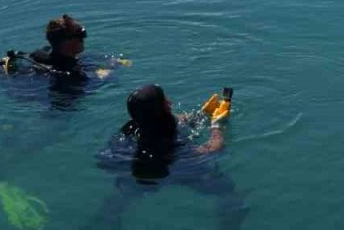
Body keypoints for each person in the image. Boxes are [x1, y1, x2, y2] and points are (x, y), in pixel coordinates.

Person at [93, 85, 245, 229]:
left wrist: (202, 114)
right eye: (165, 102)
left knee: (119, 198)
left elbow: (179, 120)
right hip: (179, 166)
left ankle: (104, 222)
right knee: (229, 193)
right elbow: (212, 149)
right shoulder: (167, 133)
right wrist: (217, 126)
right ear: (161, 109)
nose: (170, 102)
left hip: (140, 170)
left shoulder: (133, 125)